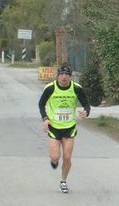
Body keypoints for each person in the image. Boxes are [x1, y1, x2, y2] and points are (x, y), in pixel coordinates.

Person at [38, 63, 90, 193]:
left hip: (69, 127)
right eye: (61, 74)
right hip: (54, 127)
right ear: (58, 76)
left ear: (70, 76)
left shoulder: (76, 88)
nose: (64, 77)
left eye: (67, 74)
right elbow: (41, 104)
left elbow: (86, 104)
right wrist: (45, 119)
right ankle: (54, 162)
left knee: (67, 157)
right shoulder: (50, 88)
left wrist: (86, 112)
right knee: (55, 157)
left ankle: (63, 181)